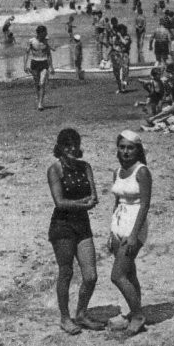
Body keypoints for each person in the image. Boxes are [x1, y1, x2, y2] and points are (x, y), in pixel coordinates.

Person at [47, 129, 103, 335]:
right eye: (67, 145)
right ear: (60, 147)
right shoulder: (54, 170)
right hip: (62, 226)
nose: (71, 149)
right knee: (66, 272)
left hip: (82, 225)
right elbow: (60, 203)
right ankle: (65, 318)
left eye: (75, 145)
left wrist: (83, 203)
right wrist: (83, 203)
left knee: (91, 276)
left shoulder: (85, 166)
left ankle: (81, 313)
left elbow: (94, 196)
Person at [108, 131, 152, 337]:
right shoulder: (117, 171)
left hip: (134, 225)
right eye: (122, 147)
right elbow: (117, 202)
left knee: (117, 276)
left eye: (130, 147)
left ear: (138, 150)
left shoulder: (142, 172)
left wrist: (134, 234)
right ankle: (134, 312)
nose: (126, 151)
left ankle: (138, 316)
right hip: (118, 224)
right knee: (129, 273)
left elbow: (145, 205)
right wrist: (111, 232)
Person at [24, 25, 54, 111]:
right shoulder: (31, 41)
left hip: (44, 63)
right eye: (45, 33)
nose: (46, 34)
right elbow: (26, 53)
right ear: (40, 33)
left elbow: (49, 54)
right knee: (37, 84)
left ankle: (40, 103)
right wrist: (25, 65)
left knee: (42, 83)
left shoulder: (46, 41)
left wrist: (51, 67)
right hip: (34, 63)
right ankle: (39, 100)